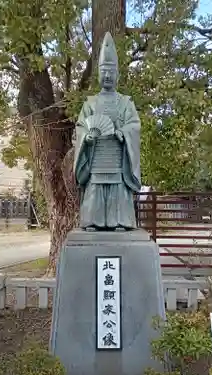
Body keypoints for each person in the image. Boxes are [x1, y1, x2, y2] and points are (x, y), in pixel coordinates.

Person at [74, 32, 141, 230]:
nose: (107, 76)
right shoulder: (90, 103)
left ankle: (119, 221)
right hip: (97, 157)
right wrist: (86, 137)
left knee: (117, 188)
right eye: (104, 72)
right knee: (95, 188)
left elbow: (134, 125)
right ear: (99, 75)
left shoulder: (126, 102)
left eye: (111, 72)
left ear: (118, 75)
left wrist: (124, 132)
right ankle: (92, 221)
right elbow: (81, 126)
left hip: (117, 157)